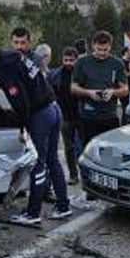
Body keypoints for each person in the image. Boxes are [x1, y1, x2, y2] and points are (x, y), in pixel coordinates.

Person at [0, 46, 70, 225]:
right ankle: (63, 206)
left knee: (37, 162)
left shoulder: (4, 70)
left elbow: (21, 101)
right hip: (53, 108)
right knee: (52, 160)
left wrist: (23, 127)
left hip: (39, 115)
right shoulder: (11, 58)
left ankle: (33, 213)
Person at [71, 30, 128, 146]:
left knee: (112, 153)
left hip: (109, 116)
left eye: (105, 50)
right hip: (88, 117)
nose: (102, 53)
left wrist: (113, 92)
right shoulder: (82, 63)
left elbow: (125, 90)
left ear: (110, 47)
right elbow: (73, 88)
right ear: (93, 46)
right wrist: (89, 93)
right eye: (99, 49)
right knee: (88, 151)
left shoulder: (117, 64)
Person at [49, 45, 81, 183]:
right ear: (62, 59)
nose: (69, 63)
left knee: (84, 147)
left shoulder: (81, 73)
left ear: (76, 60)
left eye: (72, 60)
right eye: (66, 60)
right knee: (69, 147)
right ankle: (73, 175)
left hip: (81, 115)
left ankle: (86, 175)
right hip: (65, 116)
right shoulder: (55, 75)